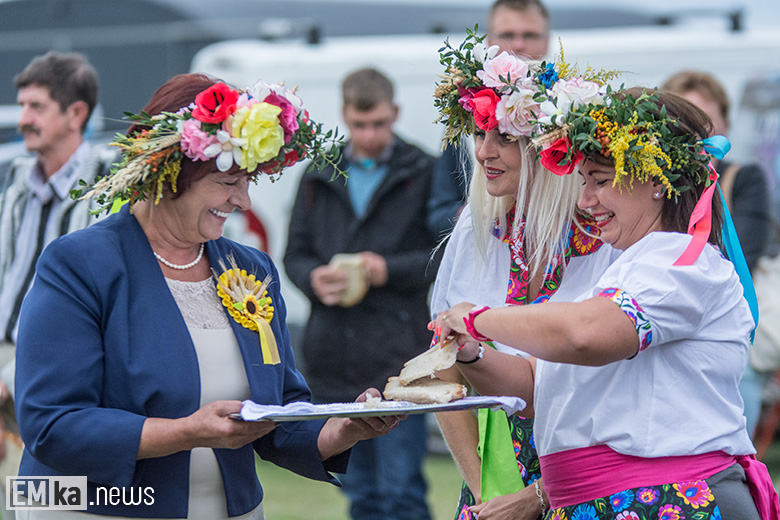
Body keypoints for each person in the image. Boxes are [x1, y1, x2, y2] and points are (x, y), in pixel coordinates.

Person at [14, 73, 403, 519]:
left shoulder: (251, 269)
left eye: (248, 181)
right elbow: (50, 425)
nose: (243, 201)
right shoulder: (77, 264)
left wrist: (342, 430)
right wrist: (186, 432)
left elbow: (276, 416)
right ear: (172, 171)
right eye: (228, 181)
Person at [438, 84, 780, 519]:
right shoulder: (622, 272)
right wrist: (470, 355)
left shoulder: (683, 261)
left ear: (657, 181)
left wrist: (481, 320)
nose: (585, 200)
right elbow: (533, 383)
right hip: (610, 504)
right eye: (583, 182)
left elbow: (584, 335)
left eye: (600, 181)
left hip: (670, 501)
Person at [430, 33, 621, 520]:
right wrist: (483, 491)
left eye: (507, 137)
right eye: (478, 132)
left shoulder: (606, 239)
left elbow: (619, 394)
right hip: (492, 479)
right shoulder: (478, 226)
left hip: (594, 481)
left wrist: (537, 498)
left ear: (548, 146)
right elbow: (443, 363)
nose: (484, 152)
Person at [284, 67, 437, 520]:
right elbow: (294, 255)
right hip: (335, 355)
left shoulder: (424, 171)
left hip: (399, 360)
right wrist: (313, 279)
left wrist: (384, 269)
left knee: (403, 492)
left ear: (396, 114)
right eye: (359, 124)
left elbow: (441, 257)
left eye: (379, 124)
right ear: (345, 116)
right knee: (360, 495)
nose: (369, 134)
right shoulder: (317, 172)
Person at [0, 51, 115, 518]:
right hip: (5, 357)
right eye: (22, 105)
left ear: (76, 113)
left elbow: (91, 309)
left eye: (36, 107)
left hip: (56, 373)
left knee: (46, 505)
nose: (23, 119)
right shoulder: (14, 178)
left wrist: (10, 380)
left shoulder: (109, 185)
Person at [662, 70, 776, 437]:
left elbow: (741, 250)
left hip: (723, 342)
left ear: (724, 122)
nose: (693, 132)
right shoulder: (653, 186)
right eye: (682, 119)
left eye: (704, 119)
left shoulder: (742, 178)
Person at [427, 0, 551, 239]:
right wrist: (480, 216)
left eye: (529, 34)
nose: (518, 44)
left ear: (546, 40)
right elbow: (438, 211)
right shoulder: (465, 117)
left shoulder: (570, 114)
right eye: (507, 34)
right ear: (489, 41)